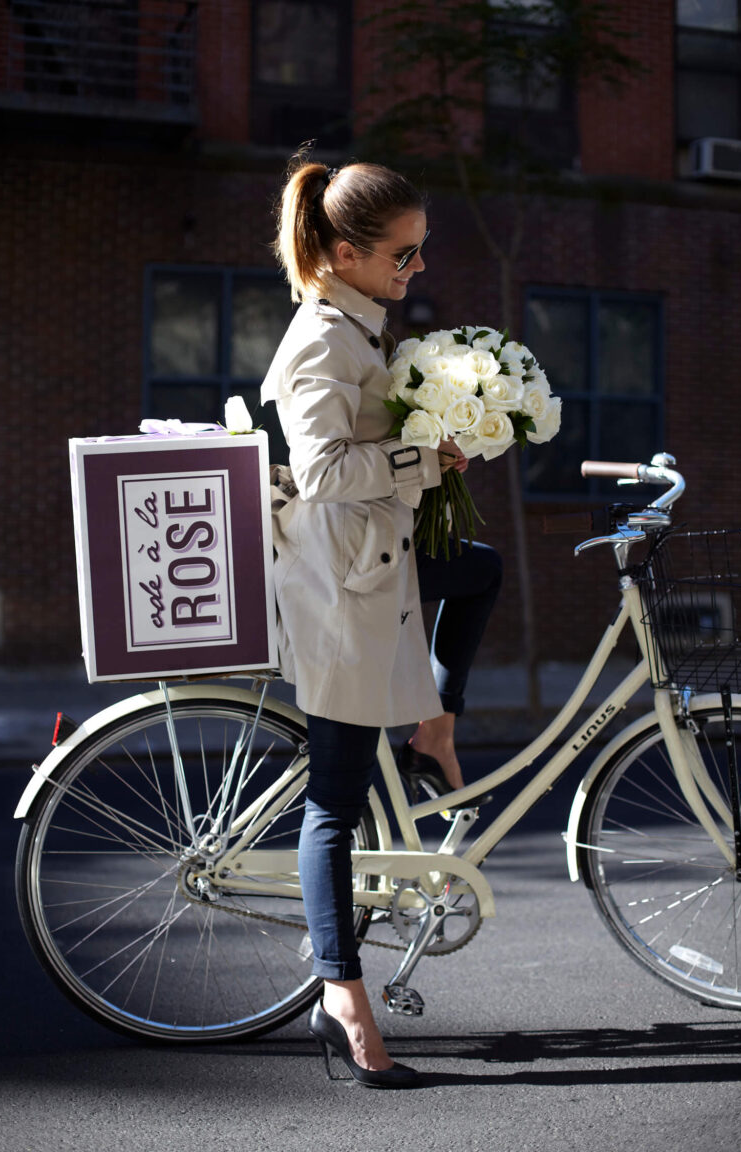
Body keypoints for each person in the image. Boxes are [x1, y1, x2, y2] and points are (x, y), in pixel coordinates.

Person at [261, 153, 502, 1087]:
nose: (417, 271)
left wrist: (437, 445)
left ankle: (435, 720)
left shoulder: (357, 324)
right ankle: (344, 1003)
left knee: (476, 572)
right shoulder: (318, 340)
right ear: (348, 254)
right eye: (403, 258)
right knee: (335, 800)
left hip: (380, 565)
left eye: (420, 253)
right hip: (344, 591)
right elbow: (321, 475)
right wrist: (421, 464)